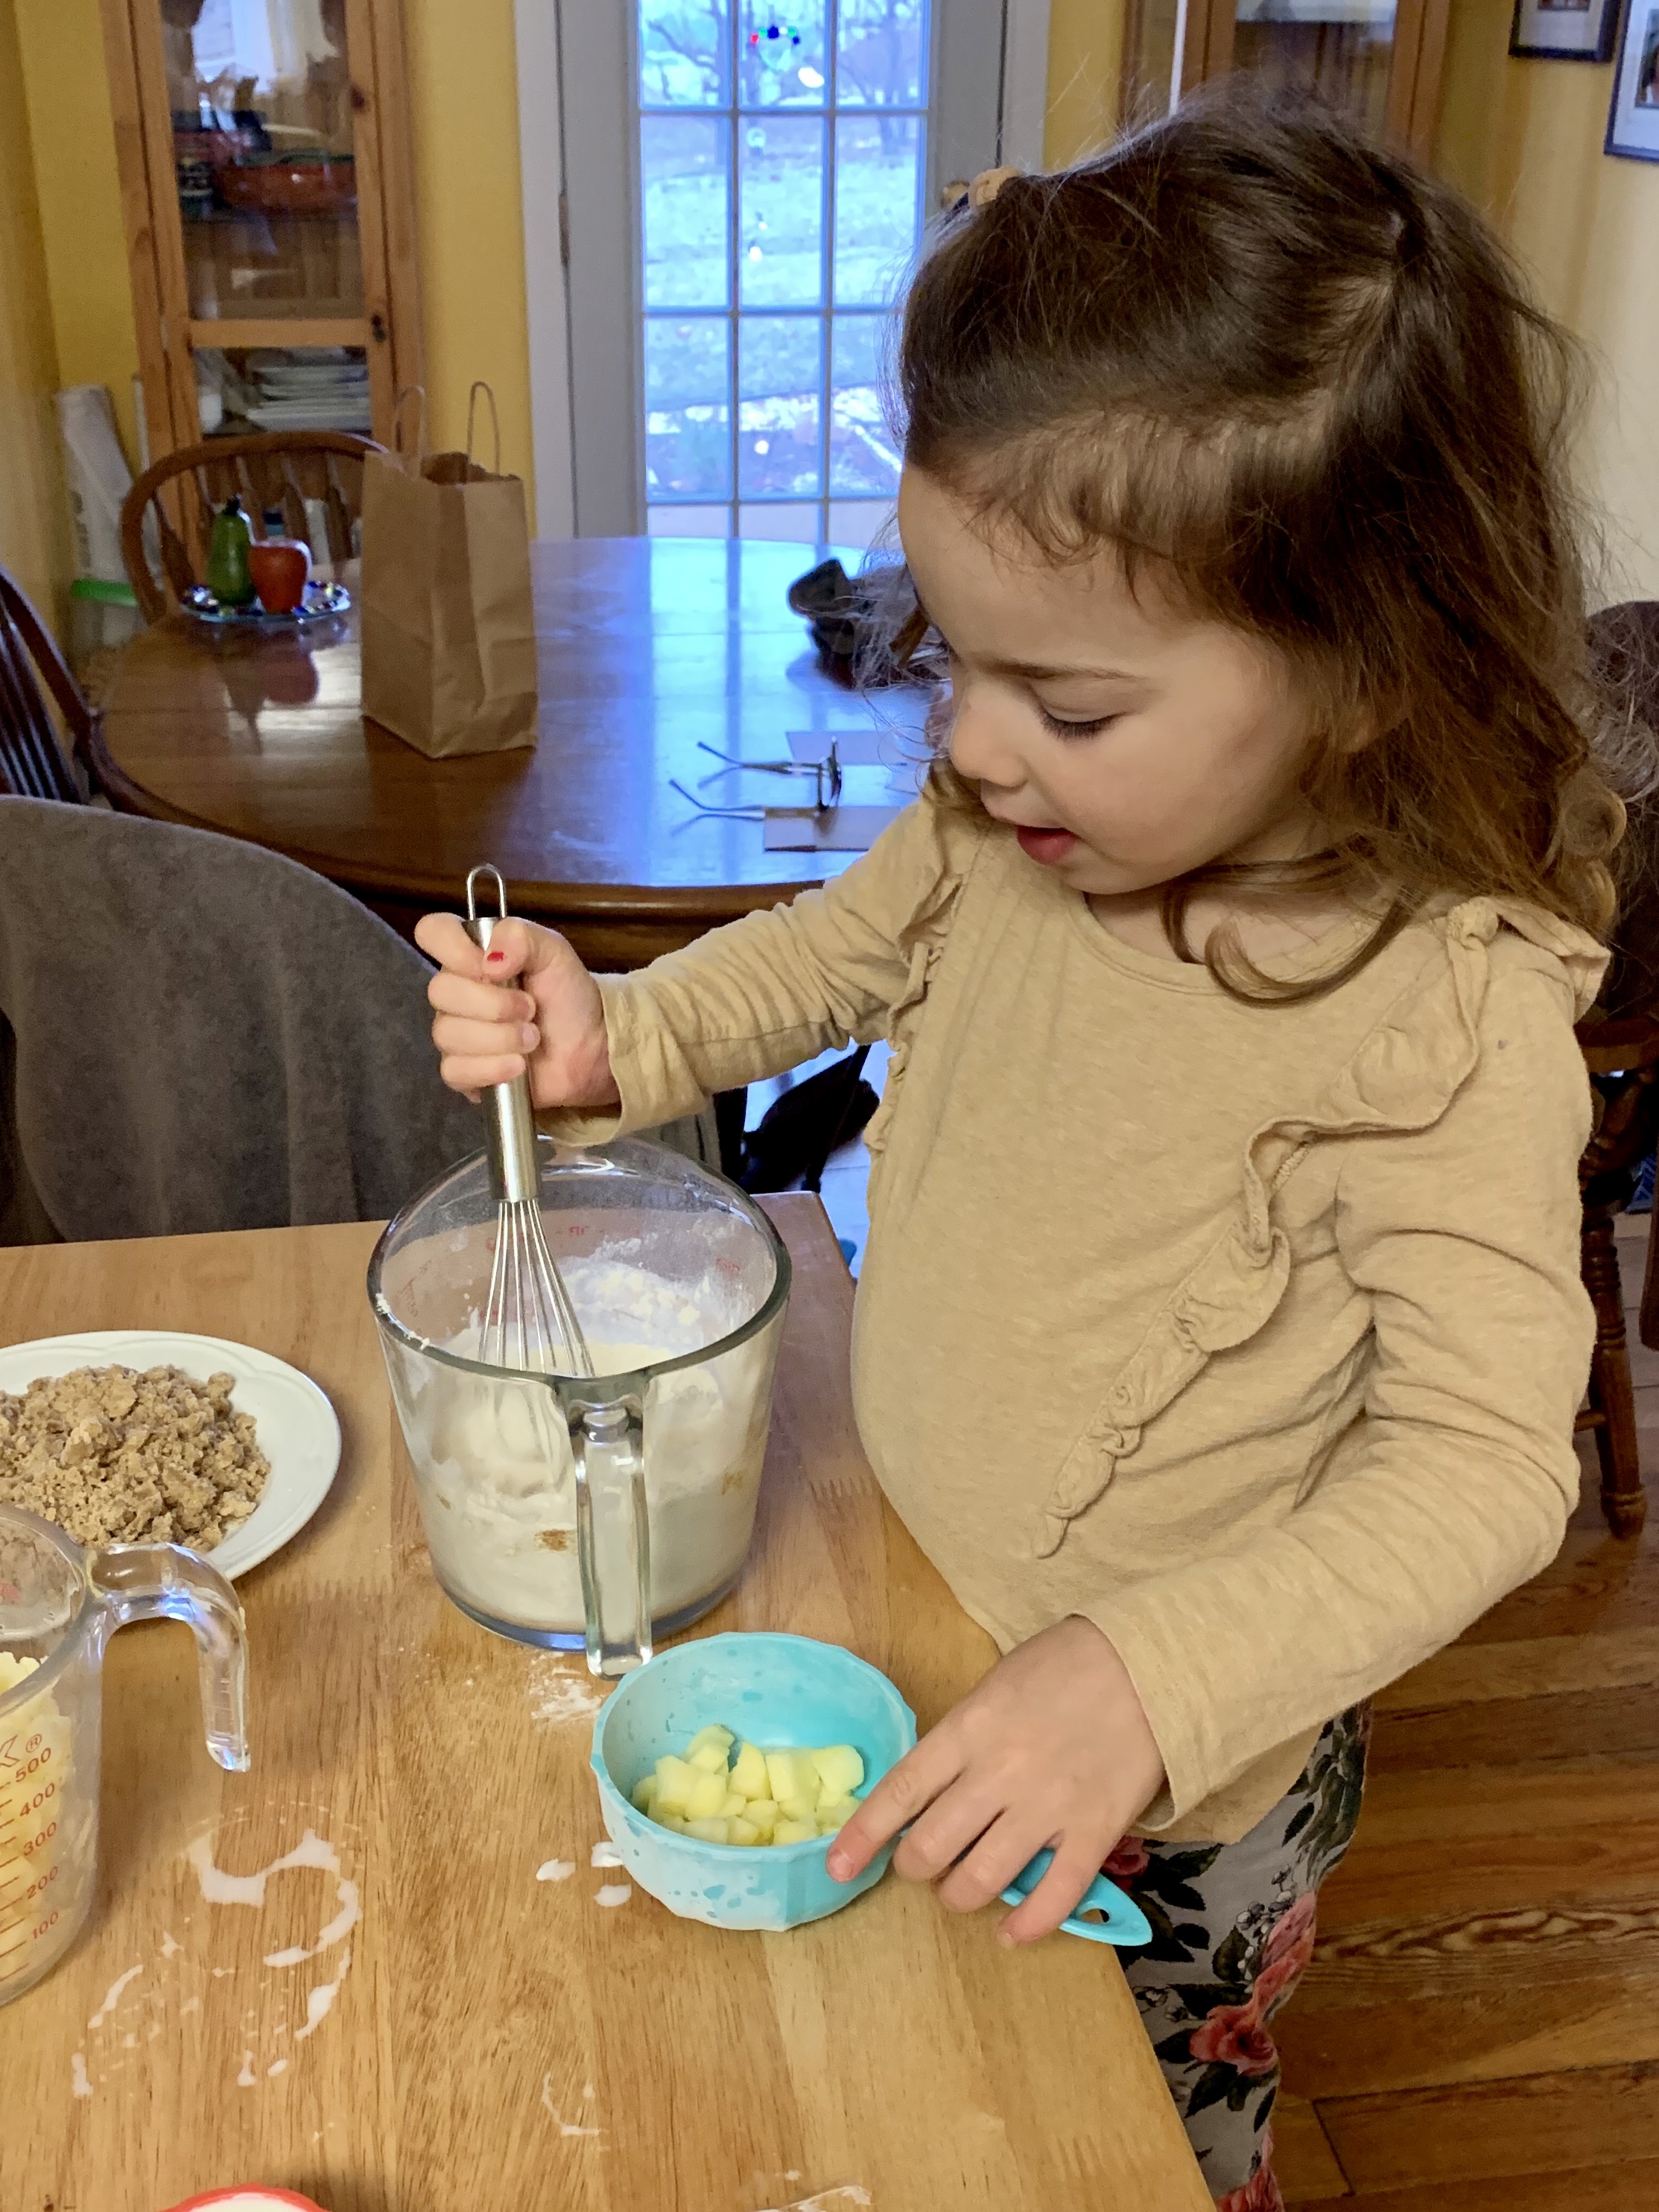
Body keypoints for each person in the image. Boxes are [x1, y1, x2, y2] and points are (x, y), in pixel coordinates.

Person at [416, 101, 1622, 2208]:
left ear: (1359, 672)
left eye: (1061, 699)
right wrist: (624, 1028)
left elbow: (1483, 1460)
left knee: (1127, 2135)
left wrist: (1150, 1679)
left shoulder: (1446, 1015)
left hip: (1171, 1778)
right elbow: (830, 951)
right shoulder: (1003, 825)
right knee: (918, 2084)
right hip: (920, 1600)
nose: (973, 744)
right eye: (959, 661)